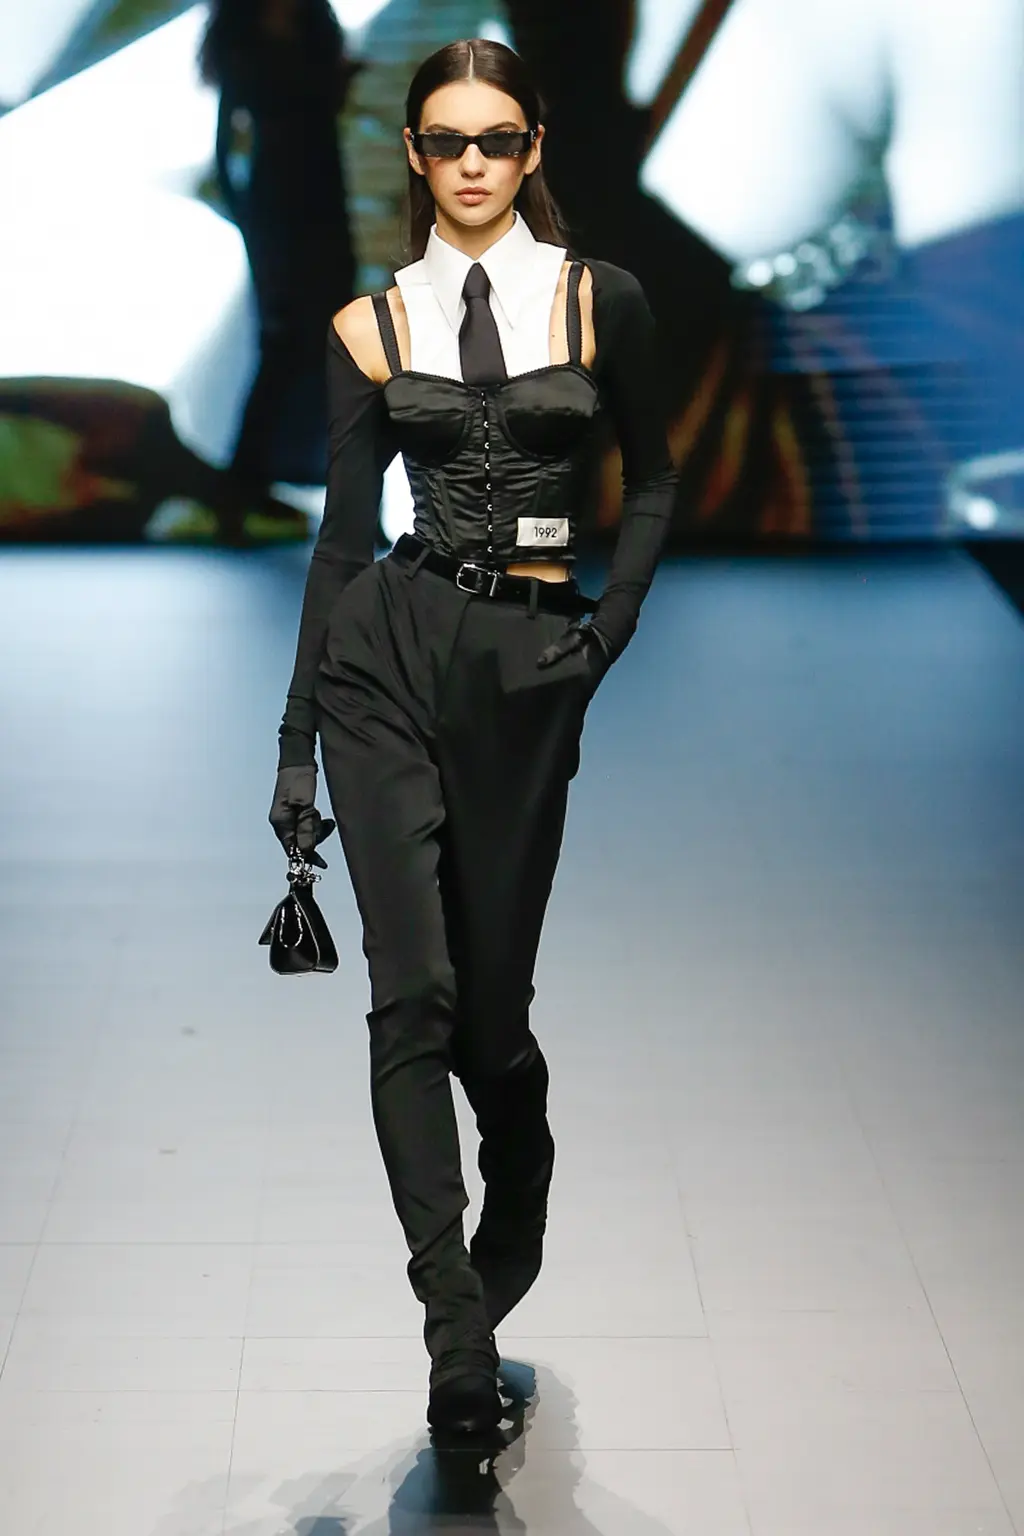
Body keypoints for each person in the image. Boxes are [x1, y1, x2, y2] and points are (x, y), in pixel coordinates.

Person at [268, 37, 677, 1437]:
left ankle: (522, 1173)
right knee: (415, 997)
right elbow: (338, 546)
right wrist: (294, 744)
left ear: (533, 147)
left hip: (527, 670)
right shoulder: (370, 327)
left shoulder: (600, 300)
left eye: (496, 138)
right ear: (416, 154)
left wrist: (605, 635)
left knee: (492, 1019)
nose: (472, 163)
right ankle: (454, 1332)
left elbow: (654, 478)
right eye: (446, 140)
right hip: (385, 654)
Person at [199, 0, 359, 530]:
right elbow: (227, 141)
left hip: (316, 202)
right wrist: (247, 218)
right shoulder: (251, 45)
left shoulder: (309, 36)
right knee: (287, 343)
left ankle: (256, 481)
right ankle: (246, 482)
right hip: (280, 207)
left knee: (321, 346)